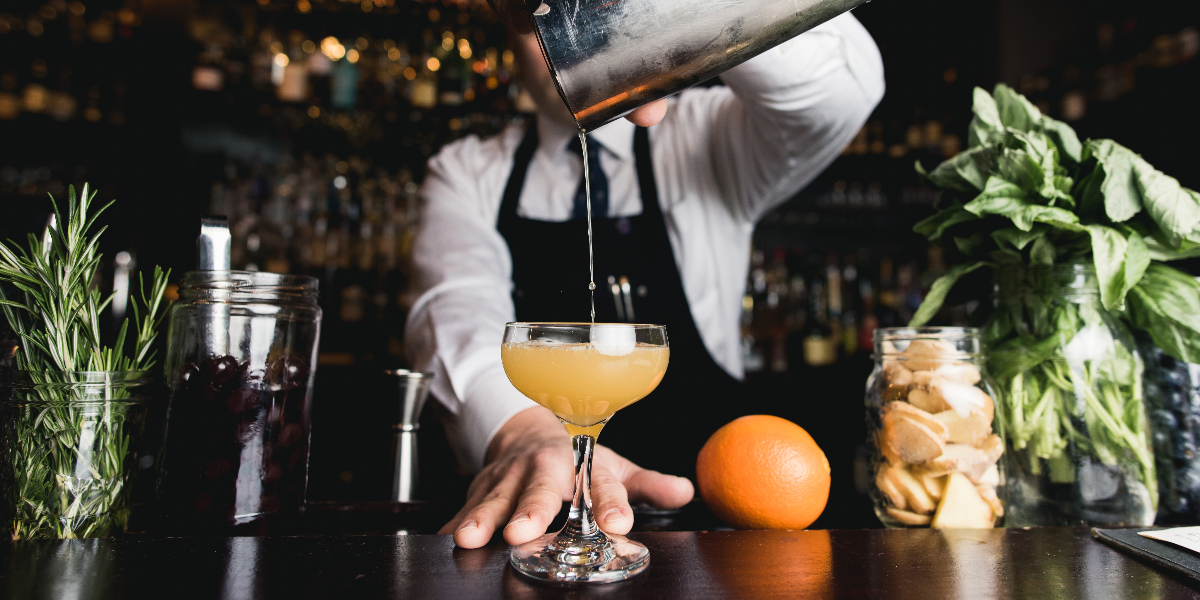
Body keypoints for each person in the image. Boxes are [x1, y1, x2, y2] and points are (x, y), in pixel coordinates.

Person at [405, 6, 884, 550]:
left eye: (589, 10)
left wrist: (666, 11)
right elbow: (453, 306)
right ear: (509, 32)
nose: (573, 37)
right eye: (548, 18)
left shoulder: (708, 133)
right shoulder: (466, 171)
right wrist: (522, 431)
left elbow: (840, 89)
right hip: (539, 527)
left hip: (708, 528)